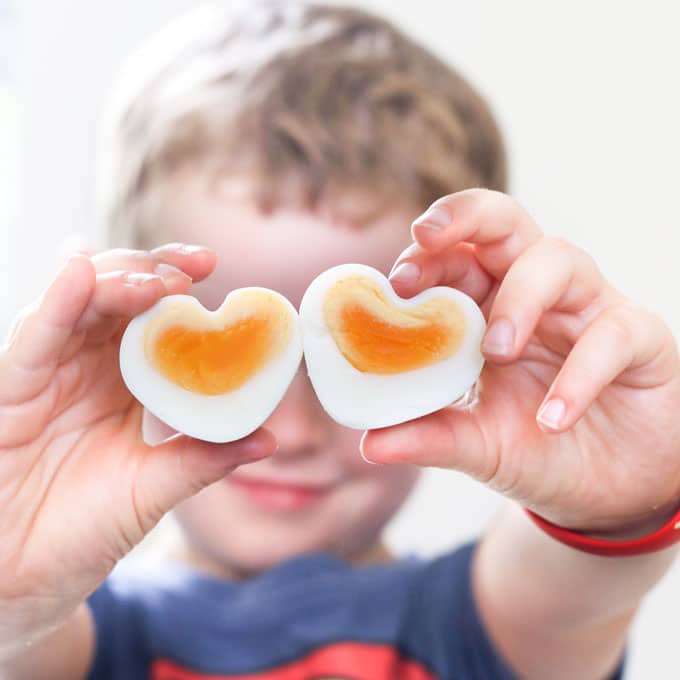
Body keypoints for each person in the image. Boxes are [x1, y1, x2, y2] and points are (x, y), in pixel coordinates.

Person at [1, 2, 679, 679]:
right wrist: (14, 584)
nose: (293, 433)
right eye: (228, 361)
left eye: (358, 357)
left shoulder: (481, 630)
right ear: (119, 340)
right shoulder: (70, 637)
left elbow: (581, 582)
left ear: (459, 346)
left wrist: (632, 490)